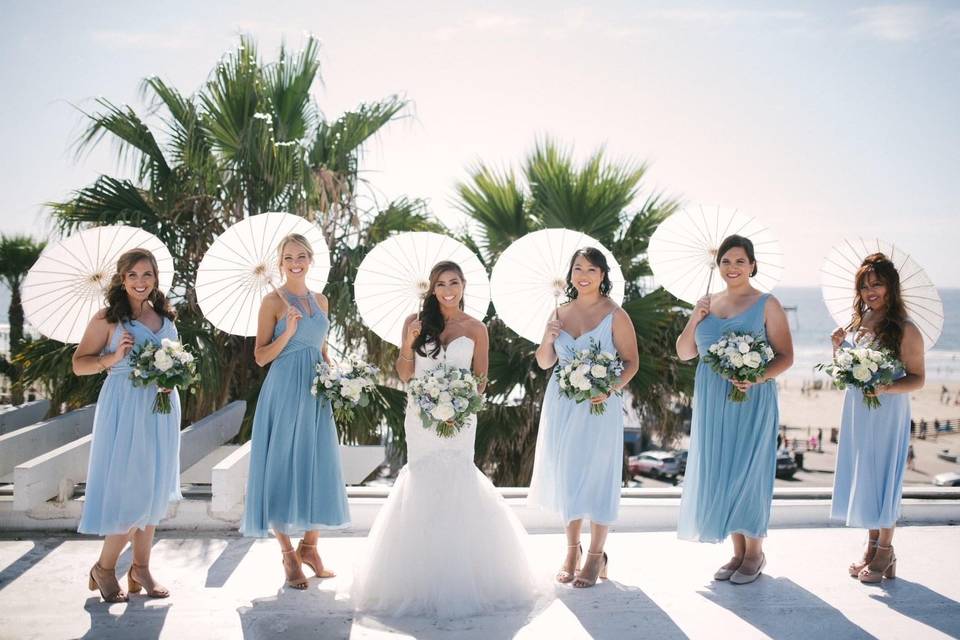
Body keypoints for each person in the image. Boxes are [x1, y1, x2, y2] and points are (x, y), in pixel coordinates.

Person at [351, 261, 537, 616]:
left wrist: (462, 405)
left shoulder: (477, 328)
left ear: (464, 286)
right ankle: (417, 579)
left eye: (454, 282)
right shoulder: (415, 323)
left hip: (461, 421)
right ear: (432, 289)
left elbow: (480, 380)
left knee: (457, 480)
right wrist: (408, 343)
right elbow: (405, 374)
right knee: (422, 479)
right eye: (441, 284)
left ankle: (463, 573)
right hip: (420, 419)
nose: (448, 289)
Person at [674, 234, 794, 584]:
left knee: (749, 470)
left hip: (752, 397)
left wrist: (755, 377)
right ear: (718, 265)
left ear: (753, 265)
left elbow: (786, 357)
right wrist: (694, 318)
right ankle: (738, 552)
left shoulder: (767, 303)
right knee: (723, 470)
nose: (733, 267)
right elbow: (685, 352)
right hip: (713, 398)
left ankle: (755, 553)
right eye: (726, 261)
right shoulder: (707, 304)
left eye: (740, 261)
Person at [73, 248, 181, 602]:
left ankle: (141, 567)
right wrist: (112, 357)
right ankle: (104, 568)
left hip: (161, 408)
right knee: (130, 490)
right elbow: (79, 365)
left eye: (146, 274)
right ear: (122, 279)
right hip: (124, 407)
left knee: (153, 489)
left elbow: (175, 363)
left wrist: (172, 378)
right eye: (133, 275)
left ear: (156, 279)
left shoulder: (166, 318)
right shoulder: (107, 318)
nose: (140, 282)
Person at [241, 234, 349, 589]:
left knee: (319, 463)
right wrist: (287, 332)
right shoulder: (271, 302)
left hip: (316, 390)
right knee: (280, 466)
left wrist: (336, 378)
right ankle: (288, 554)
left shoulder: (321, 300)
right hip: (285, 389)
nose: (295, 262)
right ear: (280, 262)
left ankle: (311, 548)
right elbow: (260, 357)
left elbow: (320, 348)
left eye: (301, 255)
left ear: (310, 259)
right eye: (288, 257)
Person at [528, 247, 640, 588]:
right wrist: (548, 337)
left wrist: (612, 386)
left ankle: (596, 555)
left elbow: (632, 362)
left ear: (603, 275)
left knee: (599, 476)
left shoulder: (615, 314)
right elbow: (546, 362)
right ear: (570, 274)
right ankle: (571, 551)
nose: (584, 275)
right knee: (568, 475)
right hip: (562, 404)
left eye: (592, 269)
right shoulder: (558, 313)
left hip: (599, 405)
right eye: (578, 268)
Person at [830, 253, 925, 584]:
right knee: (866, 476)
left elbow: (917, 378)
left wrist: (887, 387)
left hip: (888, 411)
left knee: (884, 477)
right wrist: (837, 348)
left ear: (891, 287)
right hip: (858, 410)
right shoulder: (858, 323)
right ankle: (872, 549)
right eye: (864, 286)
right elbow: (846, 372)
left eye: (877, 284)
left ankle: (885, 552)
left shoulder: (905, 329)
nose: (870, 291)